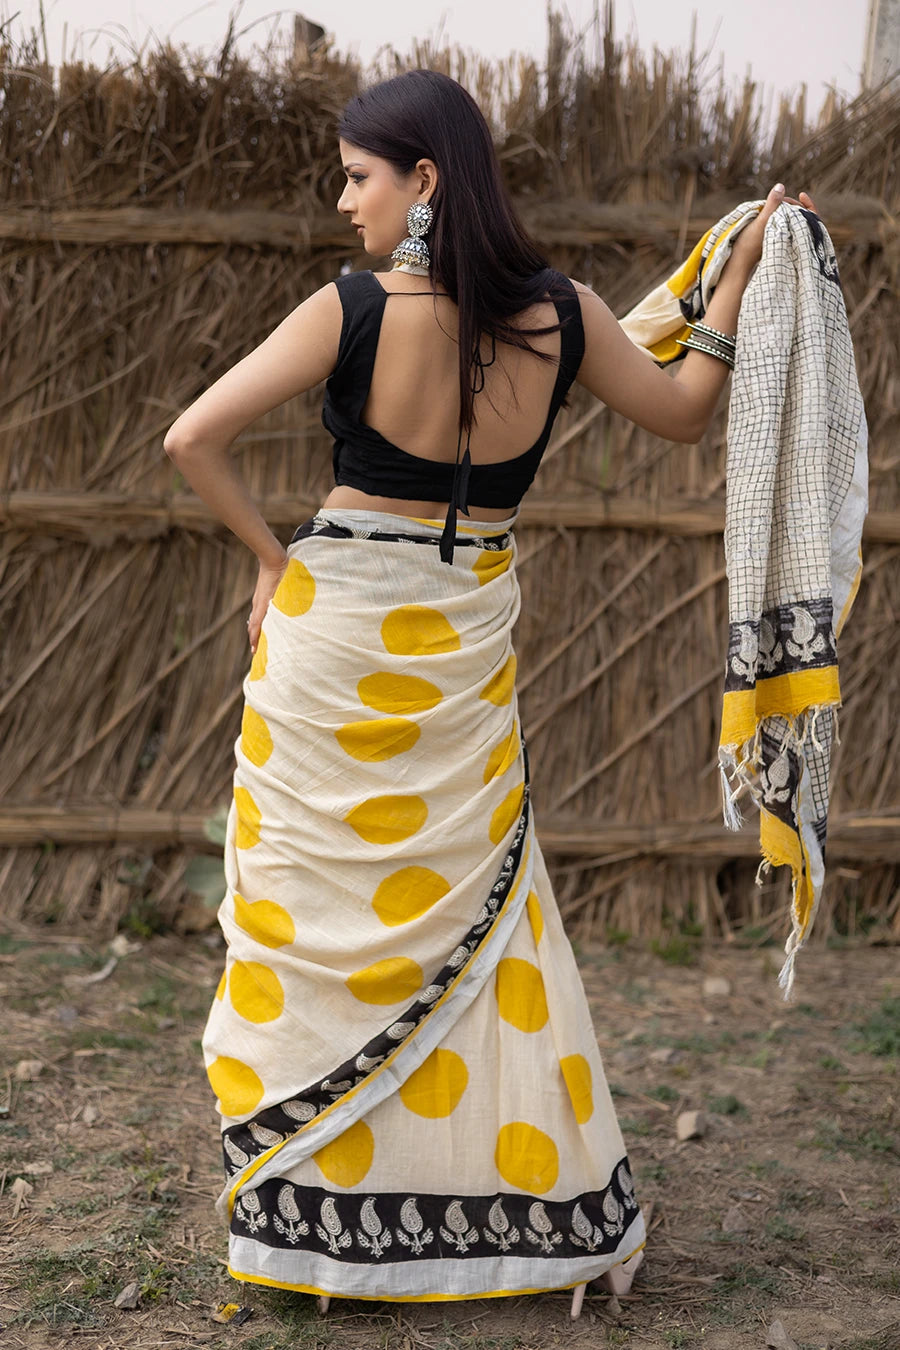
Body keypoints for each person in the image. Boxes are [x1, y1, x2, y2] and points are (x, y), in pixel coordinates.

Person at [164, 68, 815, 1315]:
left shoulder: (349, 308)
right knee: (475, 927)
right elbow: (683, 412)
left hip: (338, 642)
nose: (341, 197)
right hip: (459, 648)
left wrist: (269, 560)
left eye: (358, 174)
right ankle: (507, 1200)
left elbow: (191, 439)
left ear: (424, 181)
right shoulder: (561, 318)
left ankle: (324, 1223)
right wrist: (727, 284)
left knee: (313, 934)